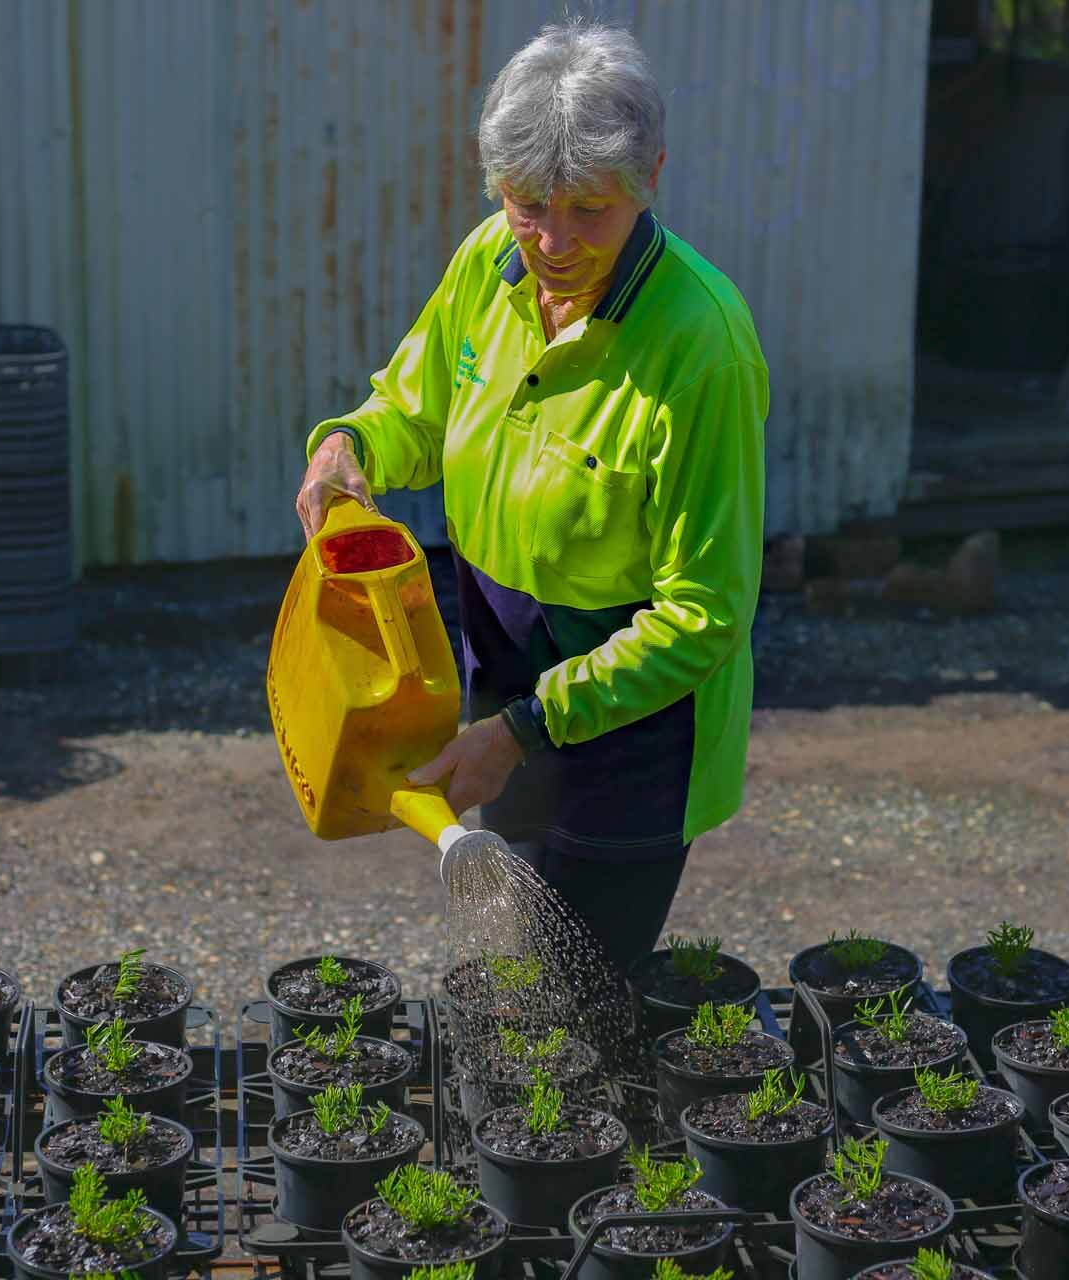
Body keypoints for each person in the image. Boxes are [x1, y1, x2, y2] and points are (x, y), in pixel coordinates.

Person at [295, 21, 767, 975]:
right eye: (527, 205)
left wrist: (522, 731)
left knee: (585, 980)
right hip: (502, 671)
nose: (553, 241)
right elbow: (414, 409)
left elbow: (705, 612)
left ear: (652, 178)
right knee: (521, 951)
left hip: (638, 719)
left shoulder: (700, 348)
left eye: (589, 210)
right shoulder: (489, 263)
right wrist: (352, 446)